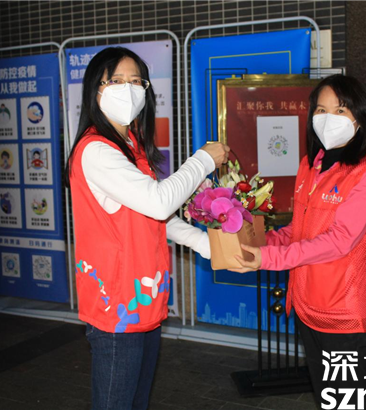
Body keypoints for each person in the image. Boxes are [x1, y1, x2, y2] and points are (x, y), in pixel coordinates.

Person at [65, 47, 229, 410]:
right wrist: (203, 160)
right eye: (116, 80)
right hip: (117, 306)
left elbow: (153, 217)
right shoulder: (96, 150)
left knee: (136, 402)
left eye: (136, 81)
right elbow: (158, 201)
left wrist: (206, 245)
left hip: (143, 300)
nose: (128, 88)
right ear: (95, 90)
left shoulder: (130, 145)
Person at [232, 74, 366, 409]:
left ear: (361, 118)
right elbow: (299, 231)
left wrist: (268, 260)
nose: (329, 118)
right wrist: (258, 242)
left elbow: (340, 241)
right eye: (321, 110)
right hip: (307, 308)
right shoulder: (310, 165)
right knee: (327, 398)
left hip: (343, 315)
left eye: (341, 110)